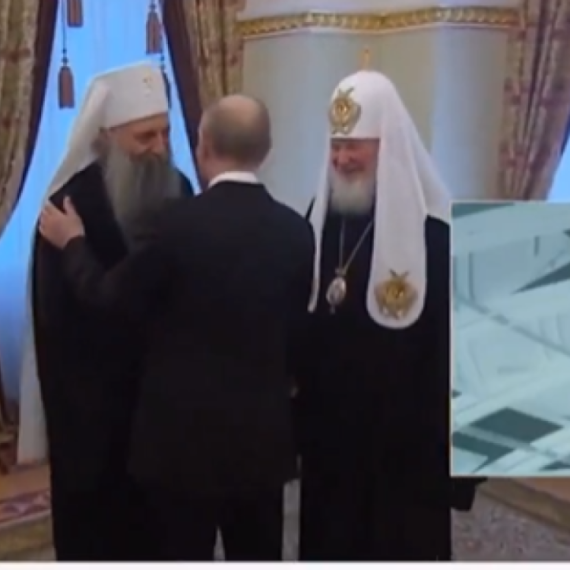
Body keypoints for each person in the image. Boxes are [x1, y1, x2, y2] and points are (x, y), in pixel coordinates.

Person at [38, 94, 315, 561]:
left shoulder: (174, 225)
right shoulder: (296, 232)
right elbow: (296, 338)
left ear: (203, 146)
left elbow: (108, 297)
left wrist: (74, 244)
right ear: (267, 151)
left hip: (181, 448)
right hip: (260, 443)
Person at [292, 62, 484, 560]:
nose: (342, 159)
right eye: (336, 146)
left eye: (355, 145)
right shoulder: (318, 222)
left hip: (404, 443)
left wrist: (458, 462)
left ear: (389, 145)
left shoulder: (435, 237)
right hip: (331, 438)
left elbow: (457, 358)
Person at [17, 62, 194, 561]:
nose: (159, 147)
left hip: (164, 405)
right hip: (94, 412)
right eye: (145, 136)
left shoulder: (180, 190)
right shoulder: (68, 205)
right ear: (106, 137)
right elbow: (54, 320)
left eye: (165, 132)